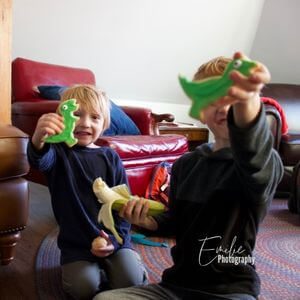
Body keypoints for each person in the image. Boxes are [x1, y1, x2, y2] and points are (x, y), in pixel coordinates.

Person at [93, 52, 284, 300]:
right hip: (176, 287)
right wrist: (150, 222)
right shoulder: (186, 164)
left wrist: (247, 102)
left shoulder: (263, 163)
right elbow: (177, 220)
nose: (224, 106)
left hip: (231, 290)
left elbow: (253, 150)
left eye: (233, 97)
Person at [27, 85, 147, 300]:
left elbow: (123, 205)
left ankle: (120, 266)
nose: (84, 123)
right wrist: (38, 138)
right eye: (76, 115)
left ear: (104, 125)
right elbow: (39, 160)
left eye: (94, 117)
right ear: (62, 118)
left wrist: (113, 239)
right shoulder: (57, 153)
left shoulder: (110, 158)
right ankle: (97, 273)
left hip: (114, 240)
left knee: (131, 280)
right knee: (84, 288)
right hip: (77, 245)